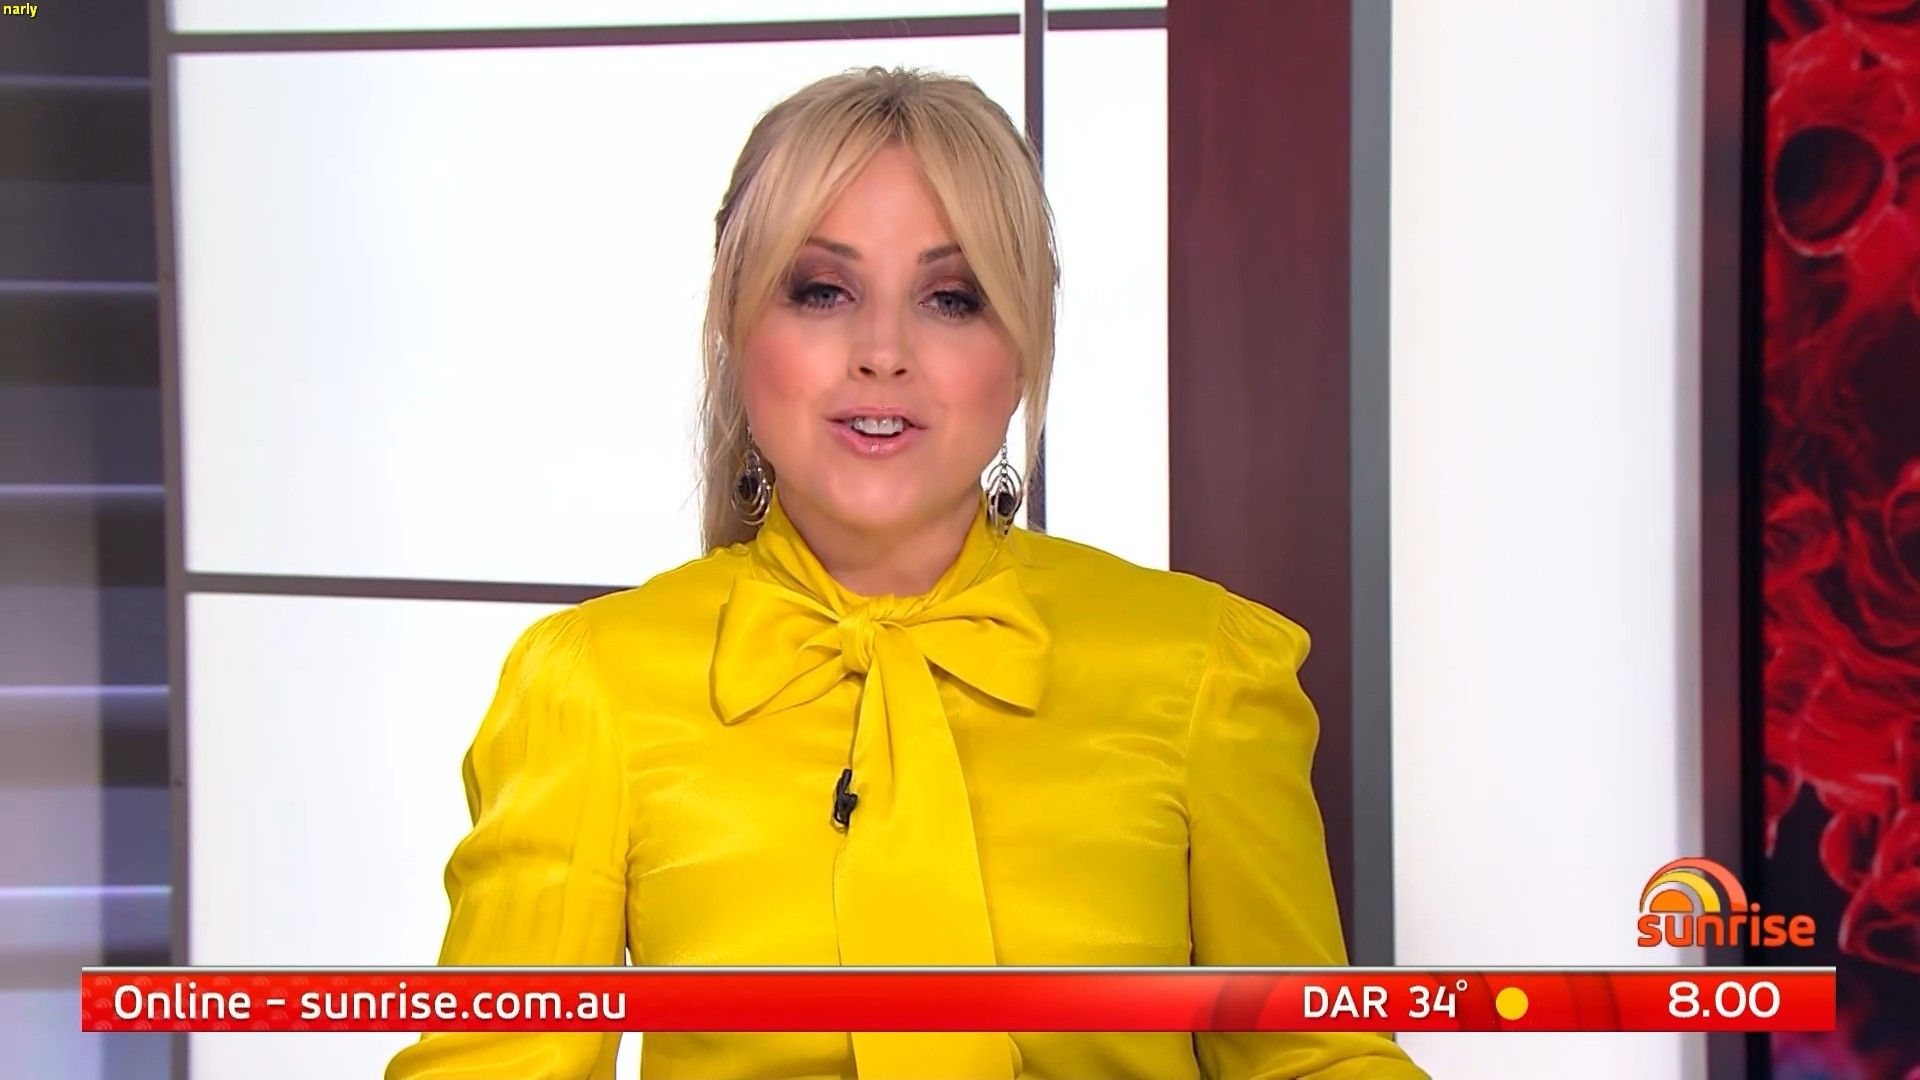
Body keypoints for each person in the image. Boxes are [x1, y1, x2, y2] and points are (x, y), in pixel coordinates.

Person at [387, 66, 1425, 1080]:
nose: (882, 352)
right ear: (736, 327)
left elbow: (1314, 1052)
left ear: (1023, 347)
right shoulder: (590, 689)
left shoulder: (1206, 670)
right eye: (822, 290)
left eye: (951, 298)